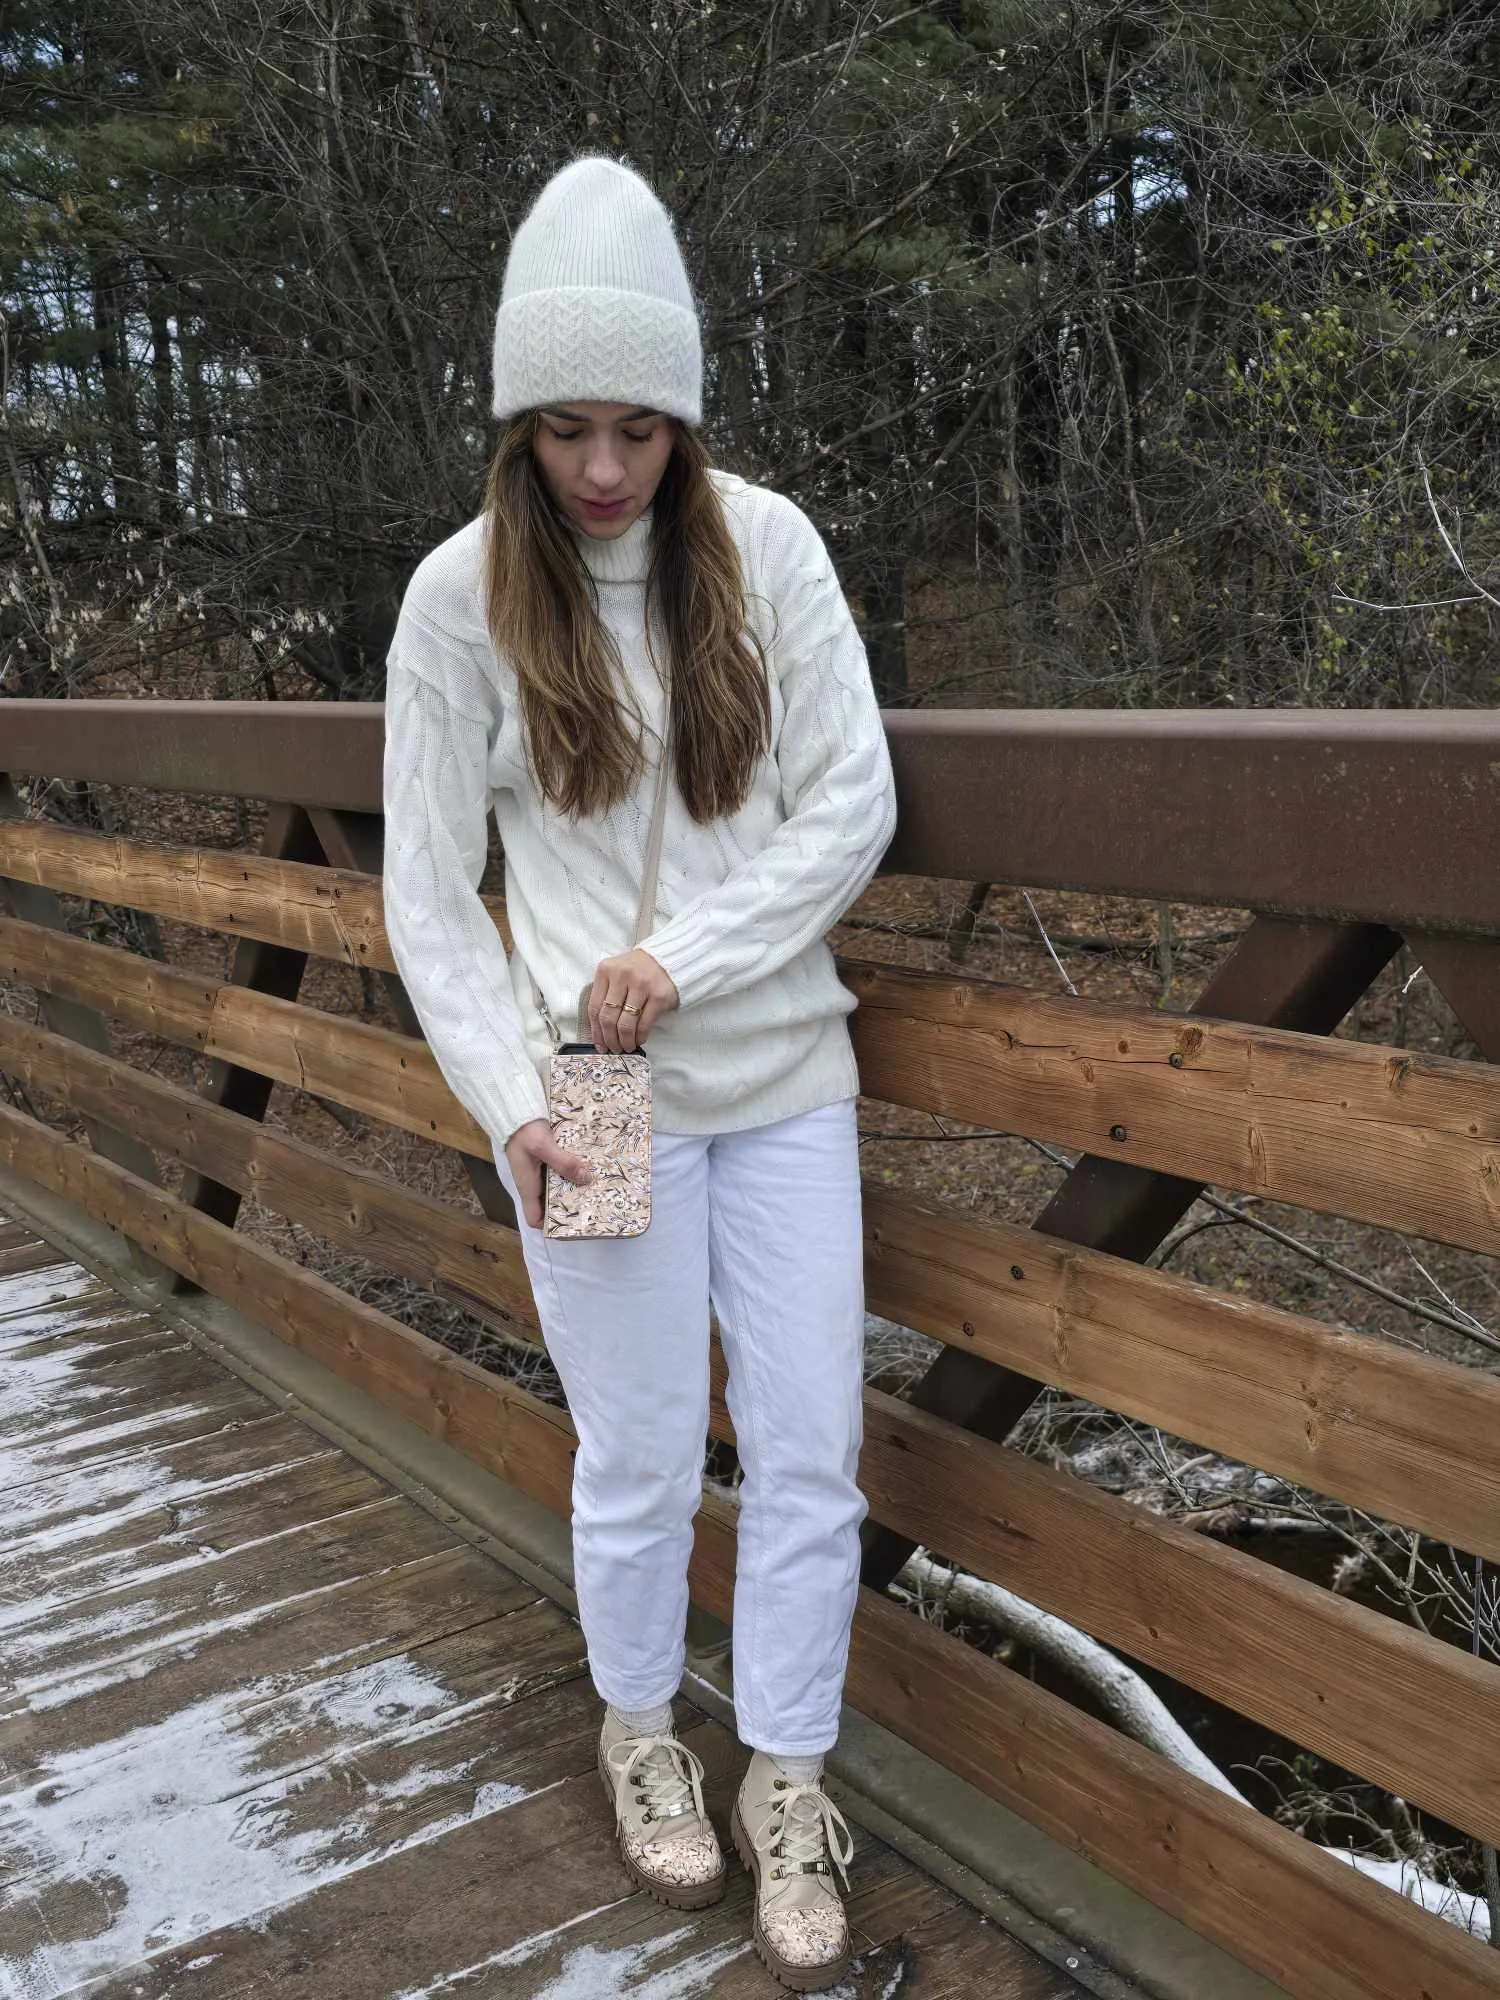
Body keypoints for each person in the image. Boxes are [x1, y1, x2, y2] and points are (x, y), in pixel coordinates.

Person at [381, 153, 898, 1990]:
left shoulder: (771, 553)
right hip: (583, 1100)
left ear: (685, 417)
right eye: (568, 429)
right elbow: (428, 897)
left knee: (816, 1455)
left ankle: (790, 1773)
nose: (605, 471)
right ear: (519, 423)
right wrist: (510, 1095)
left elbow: (855, 802)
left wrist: (678, 961)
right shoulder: (459, 605)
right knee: (640, 1461)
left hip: (782, 1083)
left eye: (641, 428)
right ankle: (636, 1733)